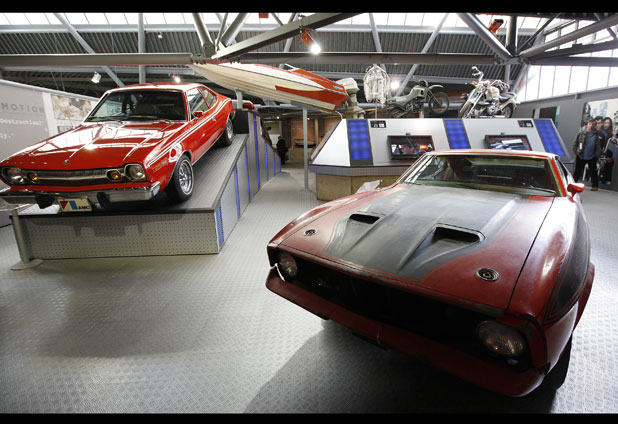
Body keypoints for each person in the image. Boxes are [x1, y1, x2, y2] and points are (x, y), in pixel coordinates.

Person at [572, 119, 604, 191]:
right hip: (581, 155)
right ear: (587, 125)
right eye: (590, 124)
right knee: (577, 171)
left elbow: (601, 145)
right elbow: (575, 143)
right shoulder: (581, 133)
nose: (591, 126)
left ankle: (594, 185)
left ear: (595, 125)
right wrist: (577, 152)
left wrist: (598, 153)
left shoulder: (598, 135)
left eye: (593, 124)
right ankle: (573, 184)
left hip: (592, 156)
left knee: (593, 171)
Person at [599, 117, 614, 184]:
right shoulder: (601, 132)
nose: (606, 125)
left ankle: (606, 178)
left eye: (608, 123)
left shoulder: (611, 133)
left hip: (607, 151)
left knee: (610, 160)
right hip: (600, 151)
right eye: (605, 123)